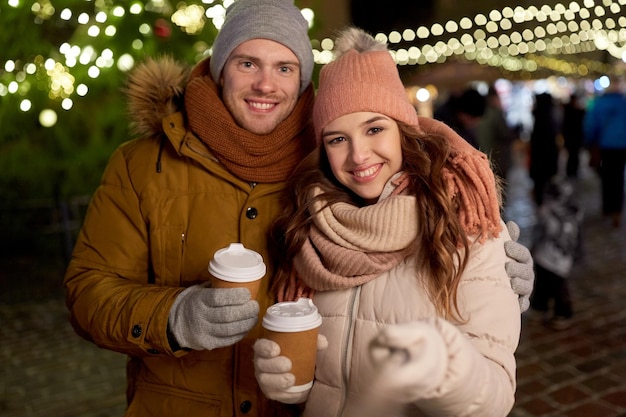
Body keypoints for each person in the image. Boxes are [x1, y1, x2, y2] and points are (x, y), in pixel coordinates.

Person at [63, 3, 533, 415]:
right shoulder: (144, 164)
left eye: (285, 67)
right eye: (248, 62)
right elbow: (87, 291)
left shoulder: (326, 165)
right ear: (220, 67)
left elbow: (409, 237)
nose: (266, 83)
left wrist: (490, 268)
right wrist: (174, 315)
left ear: (302, 79)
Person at [253, 27, 521, 417]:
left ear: (404, 131)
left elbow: (495, 398)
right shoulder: (309, 228)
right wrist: (292, 386)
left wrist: (448, 370)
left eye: (375, 129)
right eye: (337, 139)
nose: (358, 155)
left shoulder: (461, 225)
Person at [530, 176, 582, 330]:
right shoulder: (553, 211)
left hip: (557, 258)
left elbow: (574, 239)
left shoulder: (569, 214)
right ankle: (540, 307)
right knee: (543, 285)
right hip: (547, 256)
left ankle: (562, 312)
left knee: (559, 288)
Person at [583, 77, 626, 228]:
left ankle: (608, 208)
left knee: (607, 177)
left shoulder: (600, 103)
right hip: (622, 146)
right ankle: (617, 211)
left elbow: (591, 124)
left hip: (606, 146)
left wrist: (589, 142)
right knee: (619, 178)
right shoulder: (623, 102)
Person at [476, 86, 516, 182]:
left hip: (486, 156)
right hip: (498, 158)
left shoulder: (482, 113)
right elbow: (504, 133)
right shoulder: (495, 114)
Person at [529, 92, 560, 206]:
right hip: (545, 161)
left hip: (540, 161)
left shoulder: (541, 119)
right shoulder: (547, 118)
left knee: (541, 190)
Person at [561, 93, 586, 178]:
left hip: (571, 137)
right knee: (573, 155)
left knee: (573, 155)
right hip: (574, 137)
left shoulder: (567, 111)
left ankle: (572, 171)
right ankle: (572, 172)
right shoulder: (574, 112)